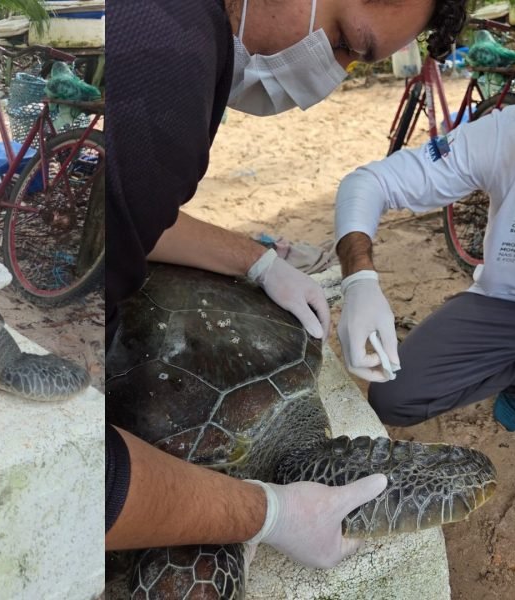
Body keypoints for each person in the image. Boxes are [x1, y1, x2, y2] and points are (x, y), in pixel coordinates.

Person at [106, 0, 468, 568]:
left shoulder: (184, 39)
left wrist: (258, 262)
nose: (334, 71)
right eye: (347, 40)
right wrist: (267, 513)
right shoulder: (166, 61)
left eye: (355, 62)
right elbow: (85, 476)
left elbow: (132, 214)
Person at [333, 0, 515, 433]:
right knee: (394, 396)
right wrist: (359, 280)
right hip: (511, 302)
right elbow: (368, 184)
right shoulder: (512, 132)